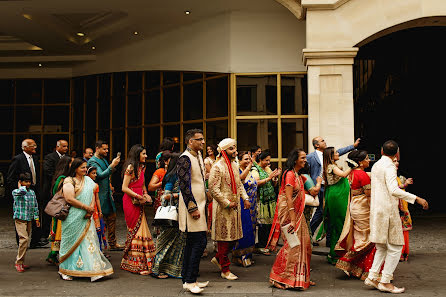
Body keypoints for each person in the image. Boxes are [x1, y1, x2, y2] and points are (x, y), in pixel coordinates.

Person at [364, 140, 428, 293]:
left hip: (377, 209)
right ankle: (385, 281)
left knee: (382, 246)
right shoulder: (390, 166)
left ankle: (372, 277)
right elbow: (394, 189)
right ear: (397, 153)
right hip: (388, 210)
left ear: (381, 151)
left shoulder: (377, 165)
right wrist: (416, 198)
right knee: (396, 246)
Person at [58, 158, 113, 282]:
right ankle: (65, 270)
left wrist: (90, 210)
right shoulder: (69, 180)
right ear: (75, 168)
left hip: (87, 217)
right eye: (82, 167)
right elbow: (69, 199)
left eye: (85, 167)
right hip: (73, 217)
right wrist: (85, 207)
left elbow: (93, 194)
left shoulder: (88, 180)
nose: (85, 169)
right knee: (70, 243)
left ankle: (92, 270)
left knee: (89, 242)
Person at [269, 148, 314, 290]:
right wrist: (293, 220)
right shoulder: (289, 175)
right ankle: (278, 277)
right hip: (290, 216)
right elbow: (288, 198)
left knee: (305, 246)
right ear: (295, 160)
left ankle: (301, 277)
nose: (305, 160)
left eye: (305, 158)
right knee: (293, 246)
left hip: (297, 215)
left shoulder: (298, 175)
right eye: (302, 158)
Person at [208, 138, 249, 280]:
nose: (235, 151)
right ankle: (225, 270)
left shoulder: (234, 165)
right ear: (224, 151)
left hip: (235, 207)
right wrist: (226, 202)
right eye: (232, 149)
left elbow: (239, 184)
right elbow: (213, 189)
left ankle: (219, 259)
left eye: (235, 148)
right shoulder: (217, 166)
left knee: (233, 239)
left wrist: (246, 198)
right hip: (223, 209)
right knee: (224, 240)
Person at [308, 137, 360, 246]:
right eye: (322, 141)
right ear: (317, 145)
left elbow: (340, 151)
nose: (325, 141)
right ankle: (309, 235)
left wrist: (353, 146)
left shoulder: (330, 154)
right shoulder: (310, 157)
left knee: (329, 214)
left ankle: (329, 240)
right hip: (320, 186)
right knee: (321, 212)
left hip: (328, 187)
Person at [335, 150, 376, 279]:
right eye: (366, 158)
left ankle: (357, 268)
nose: (369, 160)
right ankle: (349, 262)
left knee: (360, 237)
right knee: (368, 239)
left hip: (356, 206)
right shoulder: (362, 175)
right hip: (363, 208)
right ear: (360, 162)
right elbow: (369, 196)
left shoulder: (352, 173)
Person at [177, 129, 209, 294]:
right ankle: (190, 280)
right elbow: (184, 185)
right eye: (199, 139)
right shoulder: (185, 158)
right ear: (190, 141)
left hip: (200, 205)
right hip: (193, 207)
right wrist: (193, 208)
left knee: (194, 243)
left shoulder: (197, 156)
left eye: (203, 139)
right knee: (198, 242)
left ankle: (188, 279)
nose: (203, 142)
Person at [120, 144, 156, 275]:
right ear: (137, 155)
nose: (146, 156)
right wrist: (138, 196)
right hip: (130, 201)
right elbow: (124, 187)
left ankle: (141, 262)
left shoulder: (142, 167)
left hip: (139, 200)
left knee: (142, 228)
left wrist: (145, 194)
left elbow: (143, 184)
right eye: (144, 154)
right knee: (136, 229)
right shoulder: (130, 167)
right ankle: (137, 264)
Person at [152, 153, 186, 279]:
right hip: (172, 213)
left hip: (181, 212)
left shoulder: (183, 175)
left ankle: (174, 269)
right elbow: (165, 196)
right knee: (165, 242)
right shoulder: (172, 176)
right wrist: (178, 196)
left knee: (179, 242)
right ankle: (158, 269)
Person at [316, 147, 352, 264]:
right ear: (331, 156)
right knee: (339, 224)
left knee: (339, 224)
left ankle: (337, 252)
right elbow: (343, 175)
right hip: (337, 196)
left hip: (337, 194)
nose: (338, 153)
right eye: (336, 152)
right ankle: (336, 254)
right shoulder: (331, 166)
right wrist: (352, 165)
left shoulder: (332, 165)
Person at [7, 139, 45, 248]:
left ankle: (35, 241)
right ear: (25, 147)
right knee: (22, 217)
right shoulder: (18, 159)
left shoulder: (35, 159)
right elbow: (10, 178)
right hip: (22, 193)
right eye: (33, 146)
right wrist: (18, 192)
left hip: (34, 191)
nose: (35, 147)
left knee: (35, 215)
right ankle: (21, 242)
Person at [87, 140, 122, 251]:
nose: (107, 151)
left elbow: (107, 175)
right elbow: (100, 175)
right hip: (99, 194)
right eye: (104, 149)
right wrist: (112, 165)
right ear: (97, 149)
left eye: (107, 149)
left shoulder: (103, 159)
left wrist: (110, 185)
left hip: (107, 193)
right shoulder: (93, 161)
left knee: (112, 218)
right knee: (100, 221)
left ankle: (112, 243)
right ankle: (99, 247)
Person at [251, 150, 280, 255]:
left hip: (270, 199)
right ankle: (261, 246)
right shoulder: (255, 169)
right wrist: (269, 178)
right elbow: (256, 183)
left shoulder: (267, 168)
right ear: (260, 160)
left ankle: (268, 244)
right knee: (263, 224)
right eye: (266, 160)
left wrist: (275, 178)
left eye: (269, 160)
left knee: (270, 224)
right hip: (261, 200)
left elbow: (274, 184)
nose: (268, 162)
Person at [232, 151, 257, 267]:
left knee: (251, 230)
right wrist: (249, 166)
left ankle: (248, 255)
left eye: (249, 159)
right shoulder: (238, 170)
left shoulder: (250, 172)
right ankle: (239, 256)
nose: (248, 161)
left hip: (253, 205)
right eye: (245, 159)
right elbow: (240, 180)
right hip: (242, 204)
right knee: (243, 230)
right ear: (240, 160)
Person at [46, 155, 72, 265]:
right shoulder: (62, 179)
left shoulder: (63, 177)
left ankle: (53, 255)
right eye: (71, 163)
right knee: (59, 234)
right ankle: (55, 256)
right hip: (61, 209)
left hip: (62, 209)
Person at [12, 173, 40, 272]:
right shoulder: (16, 191)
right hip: (20, 218)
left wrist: (36, 218)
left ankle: (21, 261)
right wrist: (20, 186)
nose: (28, 184)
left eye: (29, 181)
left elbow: (35, 205)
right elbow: (21, 192)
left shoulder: (32, 192)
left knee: (25, 241)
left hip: (28, 218)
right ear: (20, 182)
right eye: (25, 181)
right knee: (24, 239)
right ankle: (18, 262)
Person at [42, 140, 69, 241]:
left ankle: (58, 234)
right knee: (49, 212)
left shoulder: (67, 157)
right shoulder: (50, 157)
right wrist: (59, 179)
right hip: (51, 187)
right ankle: (45, 234)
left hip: (63, 189)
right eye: (64, 146)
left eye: (67, 146)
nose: (66, 148)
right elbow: (47, 171)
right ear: (58, 147)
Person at [87, 166, 108, 254]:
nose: (95, 175)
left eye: (96, 173)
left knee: (97, 231)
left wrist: (100, 211)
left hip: (94, 210)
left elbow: (97, 199)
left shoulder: (95, 185)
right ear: (88, 174)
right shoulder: (83, 184)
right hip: (86, 208)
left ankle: (98, 251)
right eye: (93, 173)